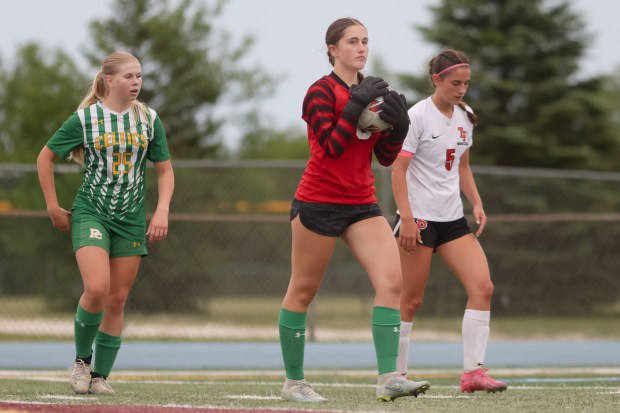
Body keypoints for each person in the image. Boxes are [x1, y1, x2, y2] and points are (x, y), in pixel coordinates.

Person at [278, 17, 430, 403]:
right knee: (304, 290)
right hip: (318, 201)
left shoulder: (375, 92)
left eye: (365, 41)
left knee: (392, 282)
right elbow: (331, 147)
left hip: (362, 203)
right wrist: (358, 103)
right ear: (332, 49)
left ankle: (389, 377)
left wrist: (397, 126)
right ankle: (294, 382)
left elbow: (383, 158)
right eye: (352, 41)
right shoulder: (319, 92)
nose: (361, 48)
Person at [37, 51, 174, 395]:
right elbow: (45, 156)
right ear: (109, 80)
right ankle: (82, 361)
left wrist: (162, 211)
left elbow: (165, 170)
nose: (136, 83)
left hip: (130, 219)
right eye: (129, 77)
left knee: (116, 299)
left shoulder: (148, 120)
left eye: (139, 76)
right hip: (91, 212)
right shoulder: (85, 120)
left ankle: (100, 376)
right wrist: (53, 206)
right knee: (97, 288)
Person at [391, 49, 507, 393]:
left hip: (452, 219)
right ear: (436, 80)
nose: (461, 90)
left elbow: (463, 165)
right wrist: (407, 219)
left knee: (482, 287)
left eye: (466, 84)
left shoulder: (466, 115)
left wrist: (477, 202)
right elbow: (398, 170)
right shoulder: (416, 117)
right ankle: (395, 374)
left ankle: (473, 374)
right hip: (419, 220)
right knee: (411, 299)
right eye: (455, 83)